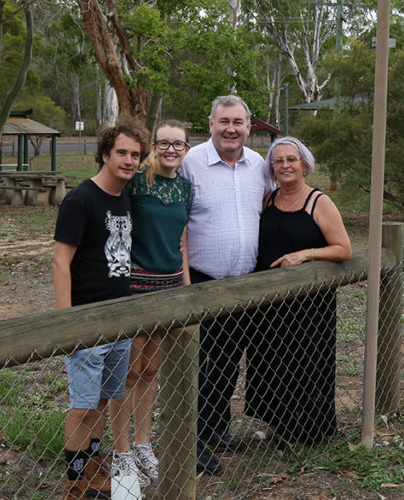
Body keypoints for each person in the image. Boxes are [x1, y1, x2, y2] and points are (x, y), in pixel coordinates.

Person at [52, 122, 149, 499]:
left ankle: (92, 475)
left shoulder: (124, 197)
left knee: (105, 400)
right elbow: (61, 262)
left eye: (135, 155)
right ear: (105, 154)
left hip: (119, 319)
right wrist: (68, 322)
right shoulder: (80, 200)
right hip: (87, 322)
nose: (129, 160)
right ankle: (75, 483)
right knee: (82, 408)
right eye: (122, 153)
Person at [180, 95, 270, 474]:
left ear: (249, 127)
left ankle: (217, 427)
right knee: (199, 365)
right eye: (223, 121)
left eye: (238, 121)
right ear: (211, 124)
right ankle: (192, 441)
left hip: (245, 284)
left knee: (229, 361)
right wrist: (184, 286)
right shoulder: (190, 163)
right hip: (202, 281)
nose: (230, 128)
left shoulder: (259, 166)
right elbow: (178, 225)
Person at [245, 136, 352, 445]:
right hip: (269, 302)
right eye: (278, 161)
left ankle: (306, 430)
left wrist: (307, 254)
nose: (285, 165)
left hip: (309, 304)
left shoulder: (319, 202)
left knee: (305, 361)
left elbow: (343, 248)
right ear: (272, 168)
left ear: (305, 165)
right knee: (269, 360)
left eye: (291, 159)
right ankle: (278, 423)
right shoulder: (268, 199)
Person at [112, 120, 193, 484]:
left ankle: (144, 444)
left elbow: (182, 242)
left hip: (170, 287)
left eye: (178, 144)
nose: (171, 150)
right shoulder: (136, 184)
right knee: (126, 372)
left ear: (187, 149)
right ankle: (122, 451)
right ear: (154, 147)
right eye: (164, 143)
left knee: (150, 370)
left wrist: (187, 290)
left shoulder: (186, 189)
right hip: (136, 287)